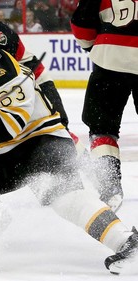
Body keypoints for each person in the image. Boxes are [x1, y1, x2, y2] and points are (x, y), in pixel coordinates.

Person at [0, 18, 138, 274]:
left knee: (66, 199)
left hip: (45, 142)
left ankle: (128, 242)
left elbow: (8, 128)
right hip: (11, 151)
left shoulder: (10, 75)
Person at [0, 0, 86, 162]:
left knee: (57, 126)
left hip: (35, 82)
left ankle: (82, 161)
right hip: (15, 87)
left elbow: (4, 73)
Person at [70, 0, 138, 212]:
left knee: (102, 128)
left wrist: (97, 47)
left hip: (110, 59)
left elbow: (82, 26)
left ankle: (110, 188)